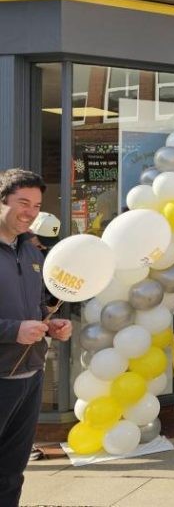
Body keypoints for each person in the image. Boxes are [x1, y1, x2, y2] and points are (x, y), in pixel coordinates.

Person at [0, 170, 71, 505]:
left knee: (12, 472)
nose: (29, 212)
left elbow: (39, 306)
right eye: (22, 203)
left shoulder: (32, 252)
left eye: (36, 205)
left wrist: (51, 324)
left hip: (30, 376)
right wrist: (13, 330)